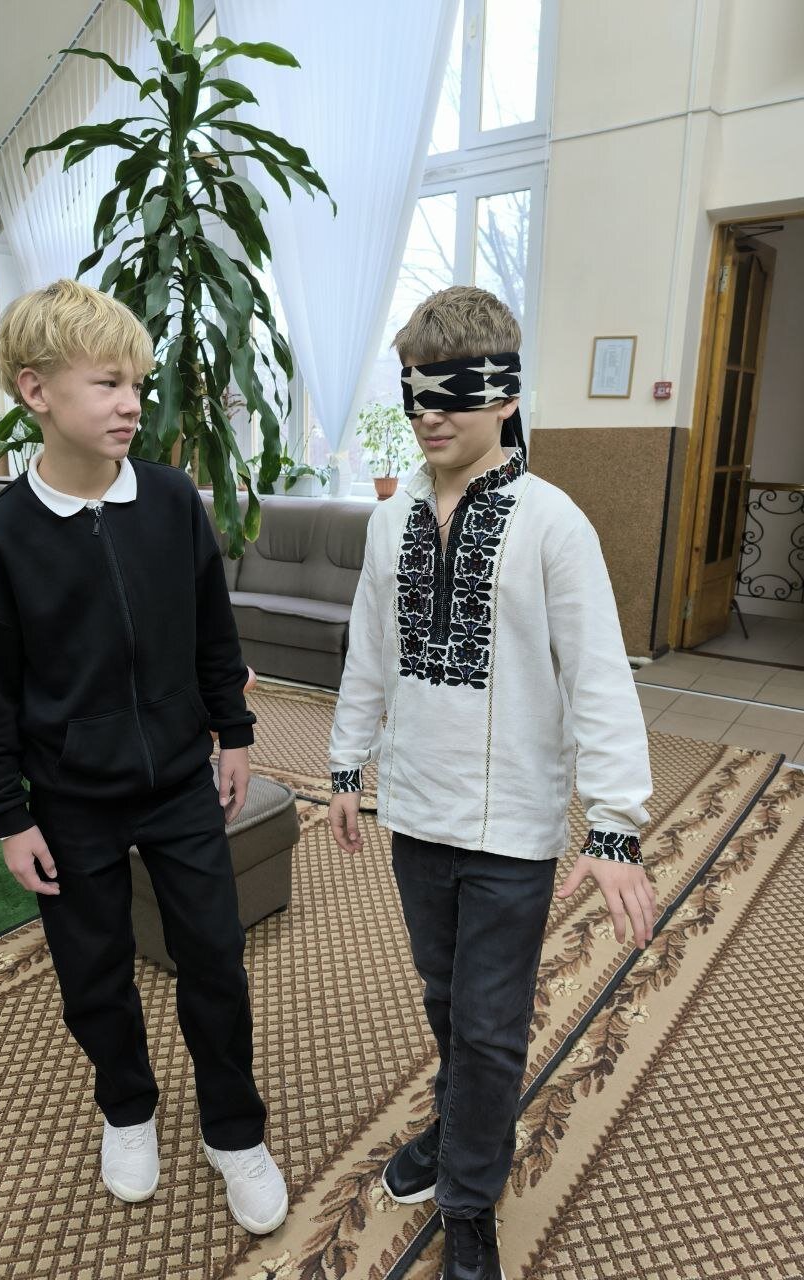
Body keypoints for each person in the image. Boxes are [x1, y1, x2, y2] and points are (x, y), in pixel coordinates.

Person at [327, 286, 654, 1280]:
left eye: (454, 393)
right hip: (416, 814)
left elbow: (598, 675)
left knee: (489, 1021)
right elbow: (368, 652)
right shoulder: (390, 522)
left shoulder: (555, 525)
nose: (430, 414)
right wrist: (345, 761)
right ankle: (462, 1119)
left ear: (505, 394)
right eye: (415, 392)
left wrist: (615, 825)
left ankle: (469, 1199)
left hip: (512, 826)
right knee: (444, 997)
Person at [0, 278, 287, 1235]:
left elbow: (214, 634)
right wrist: (10, 815)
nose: (131, 403)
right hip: (70, 801)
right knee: (92, 972)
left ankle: (234, 1132)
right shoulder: (2, 539)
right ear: (36, 391)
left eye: (136, 384)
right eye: (106, 384)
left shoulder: (173, 501)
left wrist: (234, 734)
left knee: (215, 959)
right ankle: (127, 1110)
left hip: (181, 781)